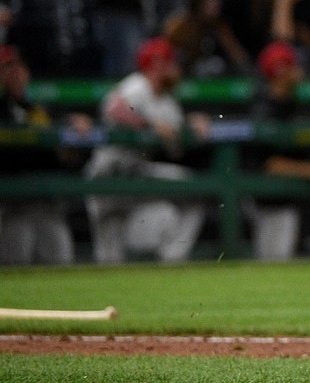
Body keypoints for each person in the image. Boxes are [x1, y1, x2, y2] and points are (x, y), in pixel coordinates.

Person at [83, 37, 209, 263]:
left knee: (195, 189)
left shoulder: (168, 102)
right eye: (172, 63)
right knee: (109, 259)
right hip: (107, 174)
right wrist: (149, 124)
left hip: (139, 172)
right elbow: (113, 109)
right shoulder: (137, 85)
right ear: (158, 65)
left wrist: (192, 123)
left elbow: (175, 146)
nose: (177, 70)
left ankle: (172, 261)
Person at [245, 40, 310, 260]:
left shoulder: (295, 103)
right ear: (280, 71)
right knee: (273, 266)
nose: (299, 70)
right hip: (269, 203)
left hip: (293, 201)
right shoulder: (263, 109)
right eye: (293, 65)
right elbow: (267, 164)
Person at [0, 45, 91, 265]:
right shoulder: (3, 108)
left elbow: (59, 132)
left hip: (43, 197)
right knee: (15, 260)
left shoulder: (36, 107)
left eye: (18, 67)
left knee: (60, 257)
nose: (14, 73)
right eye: (6, 68)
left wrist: (73, 123)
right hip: (10, 199)